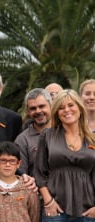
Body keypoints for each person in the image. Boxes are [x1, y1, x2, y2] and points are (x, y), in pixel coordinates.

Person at [34, 89, 95, 221]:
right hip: (55, 208)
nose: (66, 110)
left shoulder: (92, 139)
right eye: (61, 108)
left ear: (79, 107)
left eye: (71, 105)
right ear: (56, 113)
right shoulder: (48, 136)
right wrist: (48, 201)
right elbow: (39, 172)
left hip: (87, 210)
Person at [0, 141, 40, 222]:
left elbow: (34, 216)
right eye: (3, 160)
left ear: (18, 163)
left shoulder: (28, 188)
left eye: (12, 161)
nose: (8, 165)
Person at [14, 88, 52, 176]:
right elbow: (21, 175)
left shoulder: (64, 132)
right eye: (33, 108)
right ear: (28, 111)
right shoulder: (22, 140)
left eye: (42, 106)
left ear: (51, 106)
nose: (38, 111)